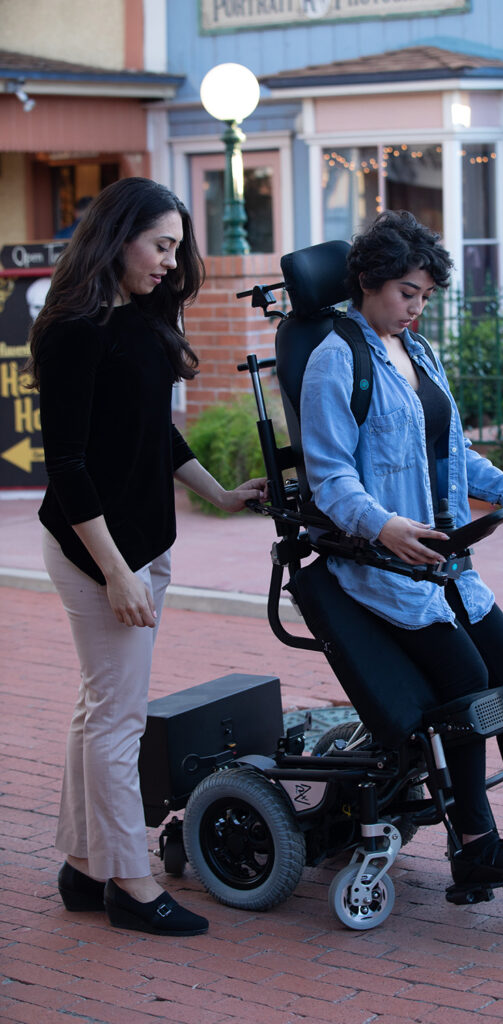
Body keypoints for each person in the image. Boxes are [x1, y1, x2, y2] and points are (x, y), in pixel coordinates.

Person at [300, 210, 503, 902]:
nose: (415, 307)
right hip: (381, 571)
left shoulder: (421, 354)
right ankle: (474, 847)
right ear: (367, 281)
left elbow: (451, 455)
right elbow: (329, 477)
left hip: (446, 567)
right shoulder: (334, 359)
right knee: (470, 691)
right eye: (405, 293)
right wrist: (381, 526)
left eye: (423, 297)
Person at [25, 177, 267, 936]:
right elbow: (64, 464)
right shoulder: (74, 328)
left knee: (101, 708)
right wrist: (117, 570)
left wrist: (220, 495)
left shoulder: (143, 318)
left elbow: (154, 435)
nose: (171, 262)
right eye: (161, 245)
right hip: (95, 549)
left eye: (176, 249)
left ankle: (83, 864)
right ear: (118, 235)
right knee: (118, 718)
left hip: (143, 543)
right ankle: (128, 882)